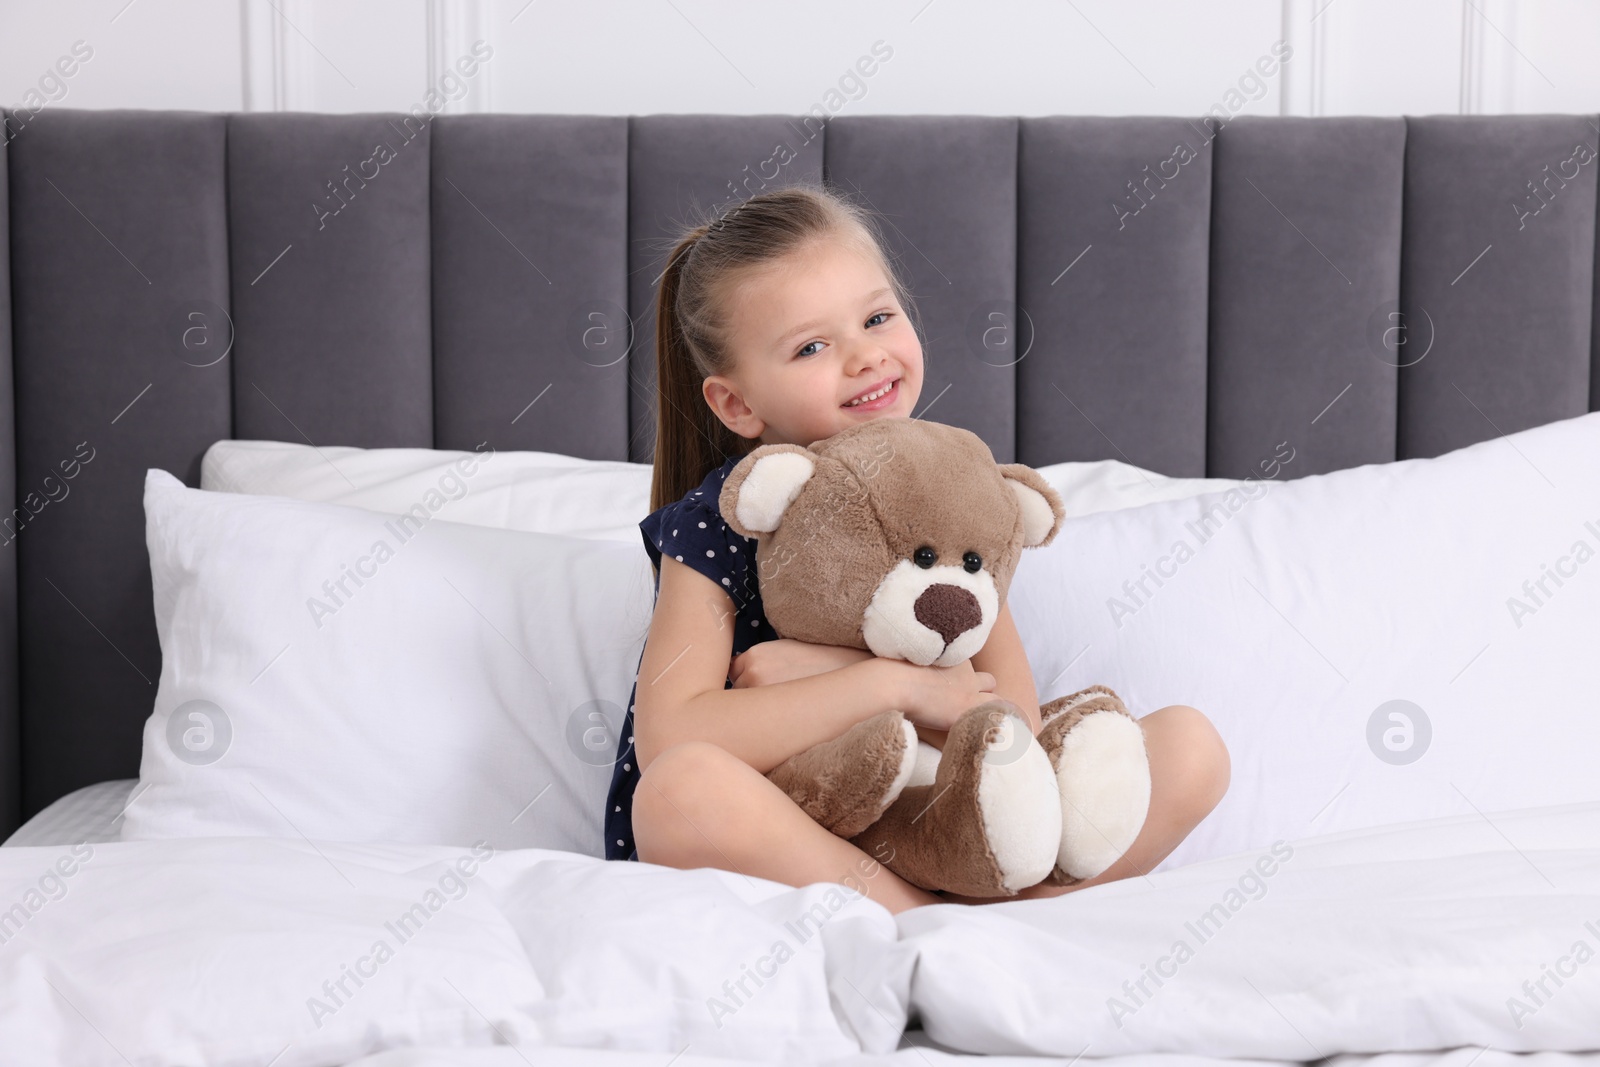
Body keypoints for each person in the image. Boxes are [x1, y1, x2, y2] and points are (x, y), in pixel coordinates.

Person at [606, 182, 1230, 915]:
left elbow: (1013, 719)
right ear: (737, 404)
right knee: (678, 795)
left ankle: (971, 901)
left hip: (941, 810)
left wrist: (826, 668)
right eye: (812, 346)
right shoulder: (721, 519)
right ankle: (943, 921)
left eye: (877, 317)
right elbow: (672, 737)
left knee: (1190, 748)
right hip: (797, 827)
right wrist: (888, 687)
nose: (865, 357)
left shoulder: (948, 487)